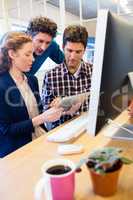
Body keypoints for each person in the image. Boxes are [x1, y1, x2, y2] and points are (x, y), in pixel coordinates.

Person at [0, 32, 63, 157]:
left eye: (32, 54)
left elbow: (38, 113)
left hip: (41, 139)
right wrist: (42, 118)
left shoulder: (32, 80)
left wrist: (56, 108)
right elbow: (6, 130)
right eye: (27, 54)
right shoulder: (2, 86)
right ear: (12, 54)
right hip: (18, 150)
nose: (33, 59)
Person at [41, 25, 93, 130]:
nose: (73, 57)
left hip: (89, 129)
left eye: (78, 52)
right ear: (63, 47)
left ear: (84, 50)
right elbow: (46, 113)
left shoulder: (95, 72)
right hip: (62, 131)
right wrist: (57, 107)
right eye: (69, 50)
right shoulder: (51, 76)